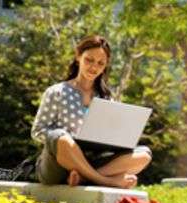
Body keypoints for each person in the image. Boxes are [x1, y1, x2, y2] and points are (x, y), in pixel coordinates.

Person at [31, 35, 152, 188]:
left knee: (144, 154)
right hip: (58, 163)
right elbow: (37, 131)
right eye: (89, 60)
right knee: (60, 137)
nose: (94, 67)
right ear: (78, 57)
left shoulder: (107, 98)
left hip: (94, 159)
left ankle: (83, 177)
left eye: (100, 63)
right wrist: (69, 139)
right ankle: (103, 180)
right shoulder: (57, 92)